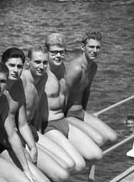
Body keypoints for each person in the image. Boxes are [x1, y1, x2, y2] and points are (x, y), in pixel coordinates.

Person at [2, 48, 74, 182]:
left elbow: (30, 115)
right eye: (37, 62)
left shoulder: (25, 82)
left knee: (69, 166)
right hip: (11, 138)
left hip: (28, 130)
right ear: (28, 62)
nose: (15, 70)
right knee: (53, 178)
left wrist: (34, 144)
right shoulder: (17, 82)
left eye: (45, 63)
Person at [43, 32, 103, 164]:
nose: (58, 56)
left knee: (97, 155)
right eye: (54, 52)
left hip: (63, 120)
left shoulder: (63, 69)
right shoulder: (42, 74)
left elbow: (71, 95)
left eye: (61, 52)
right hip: (48, 125)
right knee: (76, 165)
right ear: (46, 52)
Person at [65, 30, 118, 147]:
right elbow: (63, 94)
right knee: (99, 140)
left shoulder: (93, 67)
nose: (95, 50)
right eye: (91, 47)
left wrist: (85, 114)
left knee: (113, 137)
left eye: (98, 47)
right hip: (67, 114)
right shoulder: (75, 68)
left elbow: (86, 91)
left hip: (80, 112)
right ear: (82, 47)